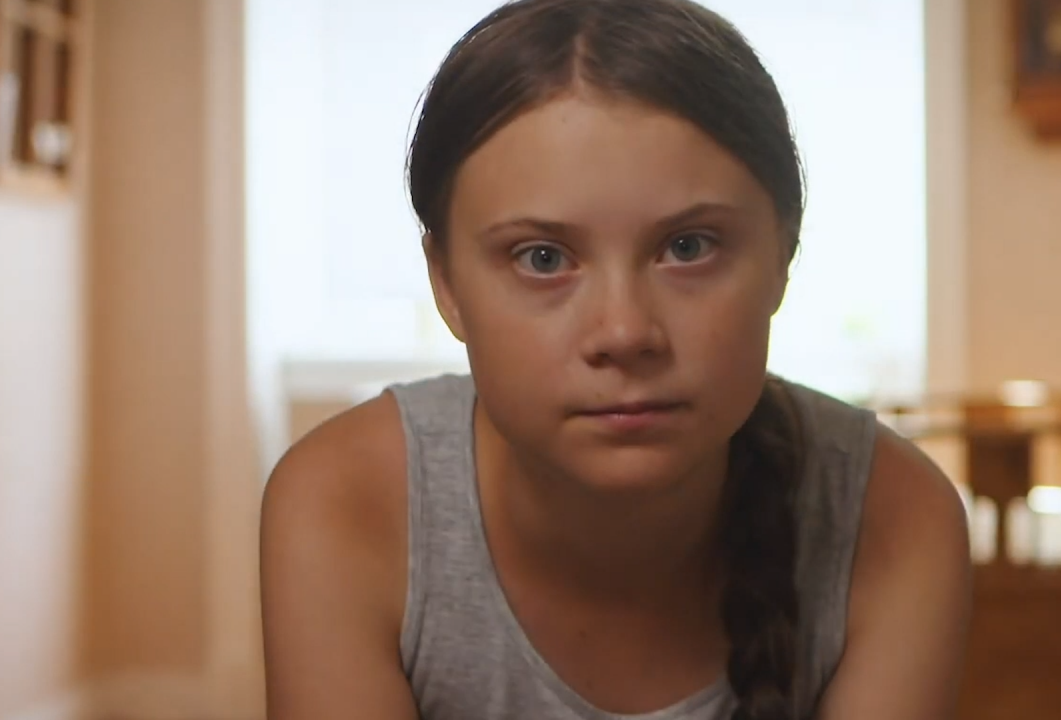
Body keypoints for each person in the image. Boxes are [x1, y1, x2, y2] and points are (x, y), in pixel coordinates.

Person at [259, 0, 972, 718]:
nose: (625, 332)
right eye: (542, 258)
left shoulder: (895, 519)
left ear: (782, 255)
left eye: (688, 247)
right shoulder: (348, 508)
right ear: (445, 282)